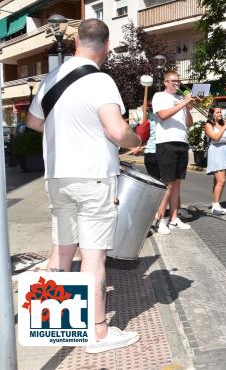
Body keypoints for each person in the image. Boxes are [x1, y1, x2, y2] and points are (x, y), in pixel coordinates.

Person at [25, 18, 141, 353]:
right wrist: (134, 139)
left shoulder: (52, 78)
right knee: (93, 256)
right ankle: (98, 333)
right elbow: (117, 132)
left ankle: (56, 325)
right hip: (93, 176)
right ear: (106, 46)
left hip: (57, 177)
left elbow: (34, 122)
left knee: (62, 248)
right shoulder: (101, 80)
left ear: (76, 40)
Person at [152, 70, 194, 234]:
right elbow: (162, 115)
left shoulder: (180, 99)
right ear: (166, 82)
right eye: (173, 81)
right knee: (168, 183)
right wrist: (183, 103)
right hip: (166, 143)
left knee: (177, 183)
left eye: (178, 81)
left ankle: (174, 218)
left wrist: (188, 107)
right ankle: (160, 220)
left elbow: (189, 124)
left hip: (181, 142)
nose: (177, 83)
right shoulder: (159, 96)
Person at [204, 105, 226, 215]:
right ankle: (216, 205)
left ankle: (216, 203)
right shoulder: (208, 125)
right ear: (212, 114)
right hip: (215, 152)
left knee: (217, 181)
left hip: (224, 152)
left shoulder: (222, 125)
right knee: (222, 180)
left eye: (220, 112)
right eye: (217, 112)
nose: (220, 114)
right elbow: (215, 138)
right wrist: (225, 125)